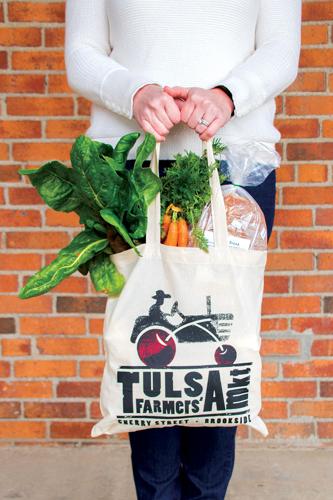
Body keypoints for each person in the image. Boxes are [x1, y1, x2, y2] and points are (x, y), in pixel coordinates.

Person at [65, 1, 302, 498]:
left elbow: (281, 49)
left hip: (236, 166)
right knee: (148, 359)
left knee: (219, 349)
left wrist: (226, 96)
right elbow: (82, 53)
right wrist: (136, 92)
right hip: (133, 167)